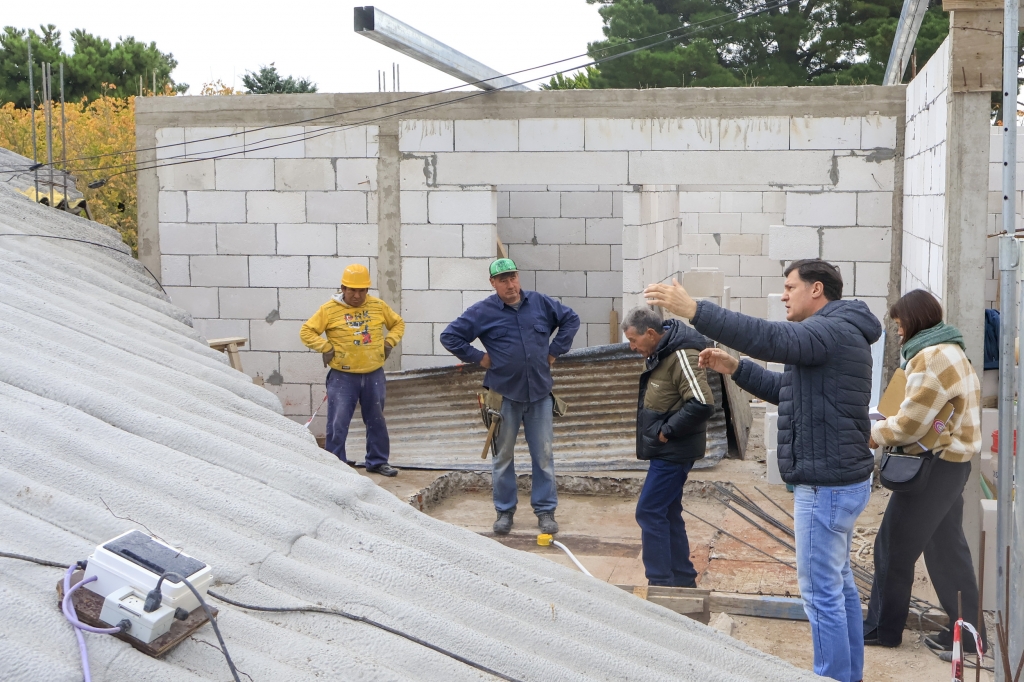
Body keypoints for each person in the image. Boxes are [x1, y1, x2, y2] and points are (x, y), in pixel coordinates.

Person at [645, 259, 881, 682]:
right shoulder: (835, 332)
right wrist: (736, 368)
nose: (784, 295)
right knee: (838, 585)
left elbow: (769, 338)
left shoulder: (828, 331)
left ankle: (832, 676)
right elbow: (787, 391)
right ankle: (848, 676)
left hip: (824, 486)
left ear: (816, 289)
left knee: (821, 593)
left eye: (791, 287)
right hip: (838, 482)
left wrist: (695, 310)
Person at [864, 289, 986, 655]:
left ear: (914, 320)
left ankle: (883, 629)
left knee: (892, 547)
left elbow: (911, 424)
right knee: (946, 550)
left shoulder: (932, 358)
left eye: (900, 323)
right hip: (952, 466)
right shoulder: (951, 350)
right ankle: (969, 634)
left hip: (932, 468)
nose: (898, 331)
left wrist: (874, 434)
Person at [440, 258, 580, 535]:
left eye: (513, 277)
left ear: (518, 277)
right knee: (502, 457)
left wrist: (555, 351)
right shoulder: (482, 311)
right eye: (503, 279)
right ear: (493, 283)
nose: (510, 284)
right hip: (503, 396)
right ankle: (504, 511)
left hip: (539, 394)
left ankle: (545, 511)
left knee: (543, 455)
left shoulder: (540, 303)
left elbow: (571, 319)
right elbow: (450, 336)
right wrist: (479, 358)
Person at [622, 306, 715, 587]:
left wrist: (666, 432)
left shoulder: (682, 354)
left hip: (674, 451)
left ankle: (660, 583)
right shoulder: (662, 353)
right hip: (666, 450)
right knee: (667, 511)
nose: (632, 347)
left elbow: (702, 403)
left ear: (651, 333)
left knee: (649, 511)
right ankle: (683, 580)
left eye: (634, 340)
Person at [299, 263, 405, 477]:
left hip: (373, 373)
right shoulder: (329, 310)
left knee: (376, 420)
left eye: (362, 290)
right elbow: (306, 331)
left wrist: (389, 342)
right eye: (352, 290)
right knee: (338, 422)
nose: (357, 295)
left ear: (367, 290)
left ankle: (377, 461)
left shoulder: (378, 306)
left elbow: (398, 323)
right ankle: (336, 464)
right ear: (343, 288)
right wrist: (325, 347)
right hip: (343, 376)